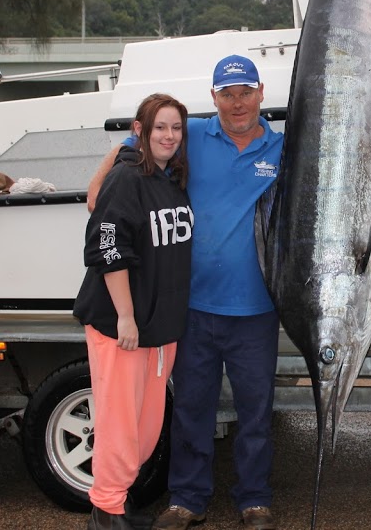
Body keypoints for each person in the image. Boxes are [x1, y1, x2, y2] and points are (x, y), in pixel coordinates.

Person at [88, 55, 283, 530]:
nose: (237, 103)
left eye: (245, 92)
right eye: (227, 94)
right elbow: (126, 151)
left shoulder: (283, 147)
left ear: (261, 93)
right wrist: (96, 190)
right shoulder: (190, 134)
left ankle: (254, 498)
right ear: (213, 97)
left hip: (257, 309)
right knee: (192, 410)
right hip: (191, 307)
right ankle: (188, 499)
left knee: (256, 412)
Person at [74, 93, 193, 530]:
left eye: (176, 128)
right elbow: (106, 247)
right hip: (122, 326)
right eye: (159, 127)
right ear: (139, 131)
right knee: (120, 425)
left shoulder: (169, 179)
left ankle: (117, 503)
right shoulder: (127, 178)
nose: (169, 135)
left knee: (144, 430)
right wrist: (125, 315)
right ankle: (105, 512)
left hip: (159, 327)